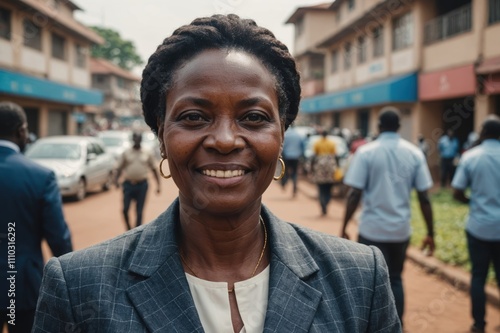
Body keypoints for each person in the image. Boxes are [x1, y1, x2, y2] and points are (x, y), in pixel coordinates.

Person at [32, 14, 401, 332]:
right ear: (161, 135)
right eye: (194, 117)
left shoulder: (359, 279)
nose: (225, 140)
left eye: (253, 118)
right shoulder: (77, 287)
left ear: (282, 135)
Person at [341, 107, 435, 326]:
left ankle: (369, 326)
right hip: (400, 231)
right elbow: (424, 197)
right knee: (395, 278)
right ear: (399, 127)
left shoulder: (366, 152)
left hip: (371, 231)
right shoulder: (414, 153)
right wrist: (431, 232)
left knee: (369, 282)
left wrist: (344, 226)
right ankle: (396, 325)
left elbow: (354, 193)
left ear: (379, 127)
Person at [0, 101, 73, 333]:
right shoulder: (39, 176)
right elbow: (57, 236)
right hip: (20, 287)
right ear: (22, 131)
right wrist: (71, 278)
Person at [451, 115, 500, 333]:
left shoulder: (471, 157)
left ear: (482, 132)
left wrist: (473, 201)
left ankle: (479, 325)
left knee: (478, 276)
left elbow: (457, 191)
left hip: (478, 226)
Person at [114, 132, 161, 230]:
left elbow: (154, 169)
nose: (137, 141)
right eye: (135, 139)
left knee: (139, 211)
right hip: (128, 185)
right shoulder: (126, 152)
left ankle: (136, 232)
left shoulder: (147, 152)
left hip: (142, 185)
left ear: (141, 140)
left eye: (139, 139)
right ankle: (128, 229)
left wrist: (158, 185)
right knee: (125, 209)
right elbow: (119, 168)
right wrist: (116, 180)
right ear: (132, 139)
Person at [310, 130, 337, 216]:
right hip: (330, 165)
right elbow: (335, 156)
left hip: (320, 165)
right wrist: (337, 168)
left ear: (321, 135)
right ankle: (326, 202)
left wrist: (312, 168)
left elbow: (314, 156)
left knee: (320, 187)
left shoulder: (317, 143)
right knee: (329, 187)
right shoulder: (332, 143)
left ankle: (323, 204)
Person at [280, 123, 305, 197]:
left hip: (287, 156)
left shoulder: (286, 135)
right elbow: (302, 146)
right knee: (294, 173)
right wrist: (301, 154)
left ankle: (284, 183)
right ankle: (294, 189)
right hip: (296, 157)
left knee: (285, 171)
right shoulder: (298, 135)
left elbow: (282, 145)